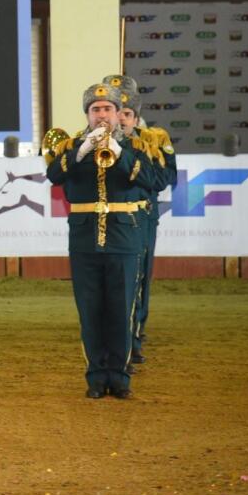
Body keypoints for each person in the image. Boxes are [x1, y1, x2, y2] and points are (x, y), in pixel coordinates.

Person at [45, 83, 163, 399]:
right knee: (90, 311)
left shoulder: (137, 146)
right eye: (95, 109)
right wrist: (81, 151)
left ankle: (120, 377)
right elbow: (54, 175)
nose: (101, 115)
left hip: (124, 237)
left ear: (116, 114)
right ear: (87, 114)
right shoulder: (72, 146)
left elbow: (154, 181)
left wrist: (119, 150)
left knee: (121, 310)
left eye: (107, 109)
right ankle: (96, 377)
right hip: (84, 239)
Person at [105, 74, 176, 367]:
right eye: (115, 110)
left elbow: (165, 178)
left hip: (142, 216)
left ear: (136, 114)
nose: (120, 118)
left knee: (139, 276)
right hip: (108, 216)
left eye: (127, 113)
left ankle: (135, 332)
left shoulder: (153, 139)